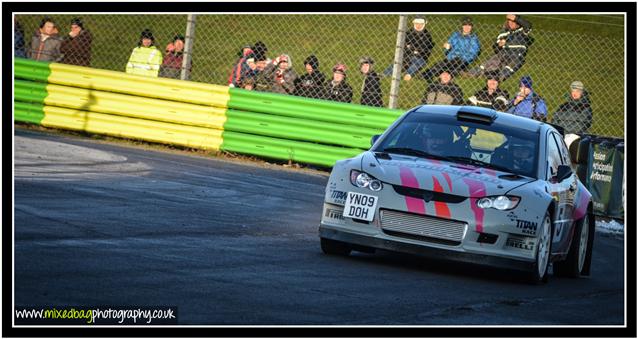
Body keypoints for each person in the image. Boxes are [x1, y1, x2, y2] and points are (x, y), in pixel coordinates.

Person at [466, 14, 533, 81]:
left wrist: (515, 18)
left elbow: (528, 25)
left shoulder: (522, 31)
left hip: (516, 54)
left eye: (513, 22)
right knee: (491, 61)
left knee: (511, 65)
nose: (511, 24)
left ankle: (498, 78)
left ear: (518, 23)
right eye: (509, 22)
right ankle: (473, 73)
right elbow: (495, 49)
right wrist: (499, 45)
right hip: (503, 53)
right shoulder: (504, 33)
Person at [421, 16, 480, 83]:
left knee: (452, 66)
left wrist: (462, 57)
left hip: (463, 60)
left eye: (469, 25)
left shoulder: (473, 38)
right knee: (442, 63)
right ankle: (427, 73)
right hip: (451, 57)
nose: (467, 27)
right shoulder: (456, 34)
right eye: (465, 25)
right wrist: (447, 47)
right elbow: (449, 43)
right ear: (462, 26)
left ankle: (439, 77)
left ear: (472, 27)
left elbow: (473, 52)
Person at [384, 16, 434, 81]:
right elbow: (404, 45)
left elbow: (423, 49)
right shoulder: (409, 33)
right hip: (407, 56)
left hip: (420, 57)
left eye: (421, 24)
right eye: (416, 24)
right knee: (398, 64)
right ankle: (385, 73)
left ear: (424, 24)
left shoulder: (427, 36)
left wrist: (411, 47)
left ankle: (408, 74)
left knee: (416, 64)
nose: (418, 26)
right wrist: (414, 49)